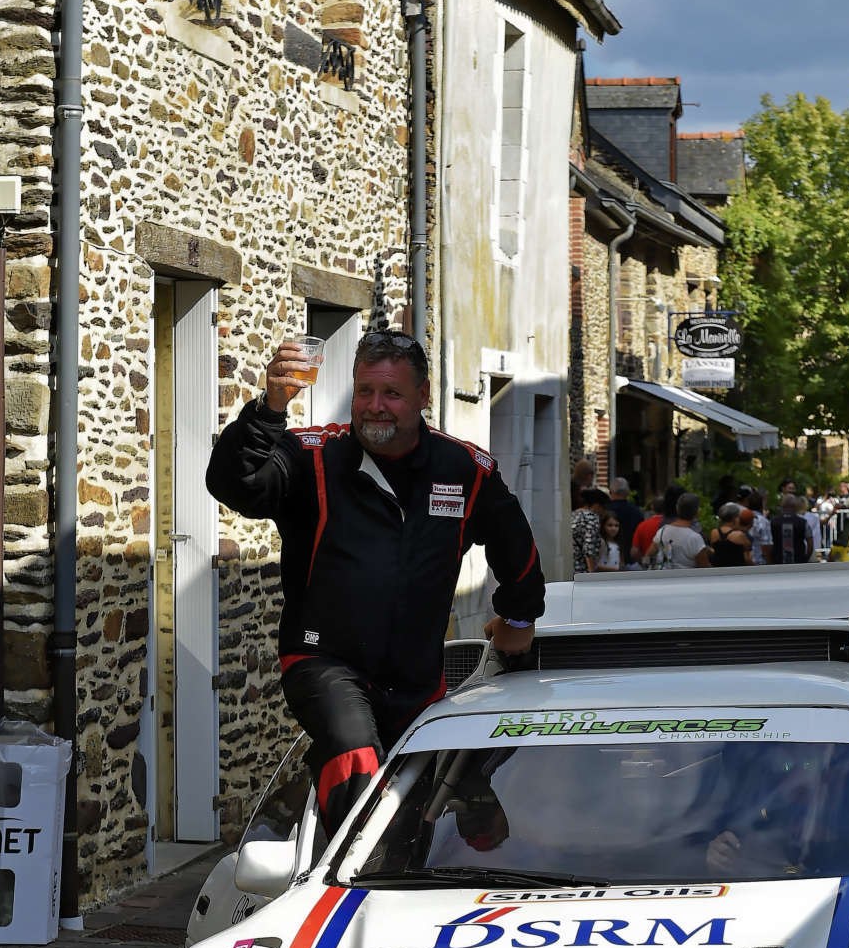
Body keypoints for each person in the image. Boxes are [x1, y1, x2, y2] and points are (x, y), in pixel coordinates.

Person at [206, 325, 544, 838]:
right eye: (365, 391)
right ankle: (356, 900)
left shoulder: (463, 469)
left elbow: (514, 542)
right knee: (360, 771)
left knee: (443, 817)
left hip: (416, 681)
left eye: (391, 393)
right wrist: (269, 410)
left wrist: (520, 616)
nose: (375, 406)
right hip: (324, 662)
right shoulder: (312, 456)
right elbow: (237, 485)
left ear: (423, 397)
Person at [646, 492, 712, 569]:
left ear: (677, 509)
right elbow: (705, 568)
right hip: (686, 580)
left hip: (664, 578)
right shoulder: (695, 538)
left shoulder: (663, 531)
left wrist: (647, 569)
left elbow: (648, 555)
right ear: (697, 512)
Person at [769, 493, 813, 564]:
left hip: (778, 563)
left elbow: (768, 545)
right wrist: (805, 559)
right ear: (795, 506)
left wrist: (771, 561)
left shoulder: (773, 522)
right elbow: (810, 545)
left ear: (782, 505)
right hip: (798, 562)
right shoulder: (803, 522)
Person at [571, 486, 607, 574]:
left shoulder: (573, 515)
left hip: (571, 567)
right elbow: (589, 547)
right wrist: (591, 573)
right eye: (603, 507)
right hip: (583, 571)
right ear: (597, 505)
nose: (604, 511)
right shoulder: (592, 517)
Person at [606, 476, 643, 555]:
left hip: (608, 557)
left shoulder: (605, 511)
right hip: (631, 557)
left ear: (611, 492)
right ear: (628, 492)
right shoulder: (637, 512)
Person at [710, 503, 754, 567]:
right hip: (737, 571)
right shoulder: (739, 535)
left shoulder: (714, 532)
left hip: (720, 570)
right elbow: (747, 558)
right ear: (735, 518)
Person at [630, 496, 666, 566]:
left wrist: (644, 562)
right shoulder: (672, 525)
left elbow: (634, 552)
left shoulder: (642, 525)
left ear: (652, 507)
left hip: (648, 566)